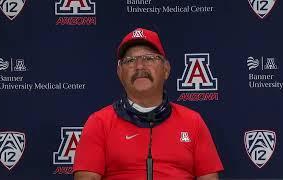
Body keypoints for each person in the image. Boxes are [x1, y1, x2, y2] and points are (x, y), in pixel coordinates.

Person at [73, 27, 224, 180]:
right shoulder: (99, 123)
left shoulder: (193, 121)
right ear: (120, 73)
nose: (139, 66)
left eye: (149, 58)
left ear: (166, 69)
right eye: (130, 60)